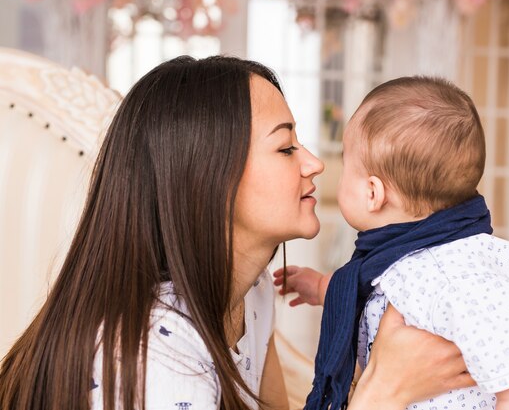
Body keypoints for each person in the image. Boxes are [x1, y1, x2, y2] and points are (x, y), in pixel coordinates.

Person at [0, 57, 474, 410]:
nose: (314, 163)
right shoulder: (155, 358)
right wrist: (382, 393)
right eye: (286, 147)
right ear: (209, 180)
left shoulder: (250, 296)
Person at [274, 76, 509, 410]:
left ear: (372, 193)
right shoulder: (405, 256)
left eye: (346, 160)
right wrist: (324, 288)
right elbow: (373, 295)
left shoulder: (459, 278)